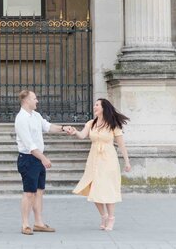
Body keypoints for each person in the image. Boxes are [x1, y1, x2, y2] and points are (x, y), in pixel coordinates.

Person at [64, 98, 132, 231]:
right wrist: (75, 132)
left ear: (103, 108)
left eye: (97, 105)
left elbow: (121, 144)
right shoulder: (91, 123)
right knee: (94, 187)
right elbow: (82, 135)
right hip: (94, 159)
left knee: (108, 188)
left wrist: (127, 161)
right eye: (94, 105)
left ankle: (111, 218)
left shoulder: (113, 124)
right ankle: (104, 215)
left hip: (109, 159)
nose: (94, 107)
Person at [14, 90, 64, 235]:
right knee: (29, 193)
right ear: (26, 100)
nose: (37, 101)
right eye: (34, 98)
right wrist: (44, 158)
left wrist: (63, 128)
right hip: (28, 159)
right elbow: (29, 145)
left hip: (38, 158)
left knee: (39, 191)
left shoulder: (36, 115)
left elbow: (47, 127)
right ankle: (25, 224)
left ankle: (38, 223)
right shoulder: (21, 119)